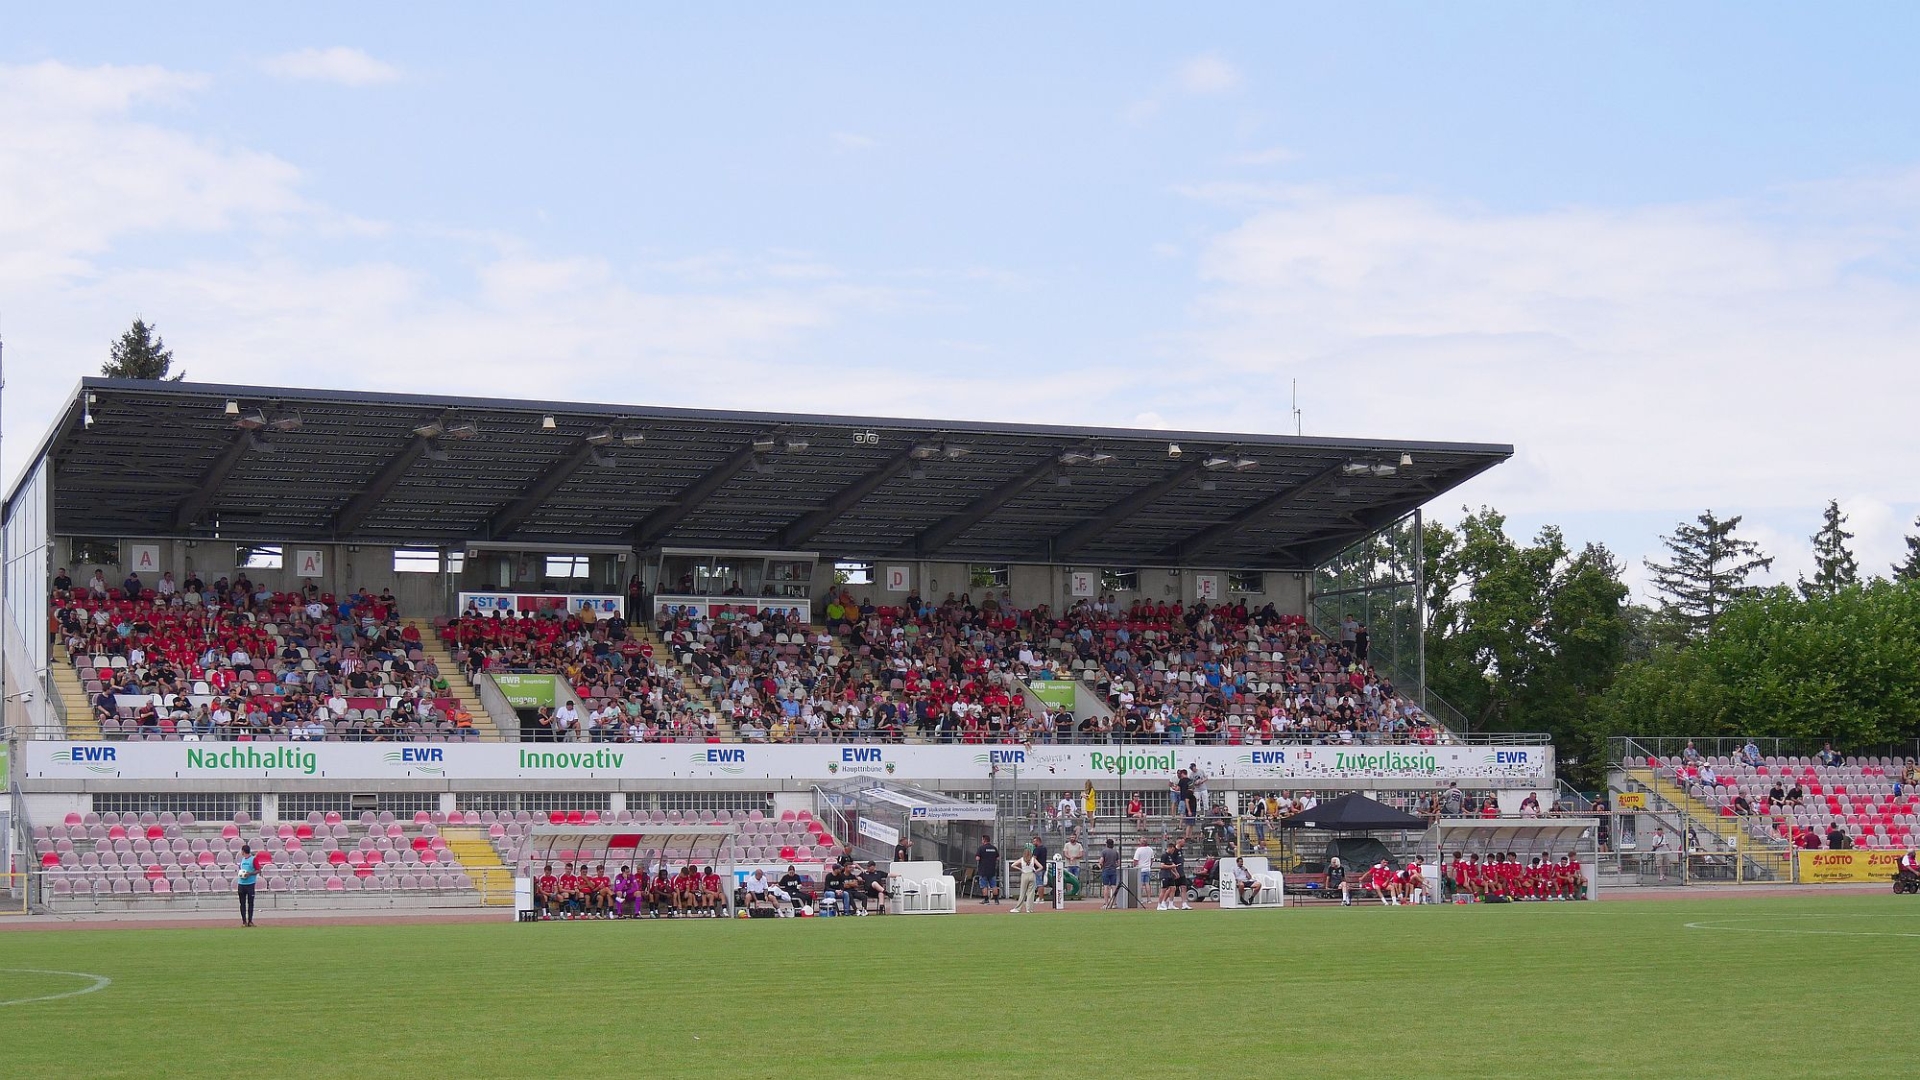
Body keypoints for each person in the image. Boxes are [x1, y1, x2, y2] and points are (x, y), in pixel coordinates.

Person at [236, 842, 261, 926]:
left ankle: (250, 921)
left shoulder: (253, 859)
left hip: (250, 884)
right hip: (241, 884)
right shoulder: (242, 860)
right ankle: (244, 921)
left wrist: (249, 874)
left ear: (243, 851)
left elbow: (258, 870)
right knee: (242, 903)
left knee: (250, 903)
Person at [975, 833, 1001, 906]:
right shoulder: (994, 848)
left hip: (983, 870)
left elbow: (977, 858)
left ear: (984, 840)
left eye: (982, 840)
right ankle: (996, 900)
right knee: (994, 885)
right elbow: (998, 858)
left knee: (984, 886)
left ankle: (986, 900)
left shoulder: (981, 848)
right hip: (992, 870)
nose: (981, 841)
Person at [1099, 839, 1122, 909]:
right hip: (1113, 870)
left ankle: (1106, 903)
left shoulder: (1104, 851)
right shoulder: (1115, 852)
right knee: (1113, 887)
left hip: (1106, 870)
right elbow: (1118, 863)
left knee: (1106, 887)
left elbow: (1101, 861)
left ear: (1106, 844)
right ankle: (1114, 903)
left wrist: (1101, 866)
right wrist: (1115, 866)